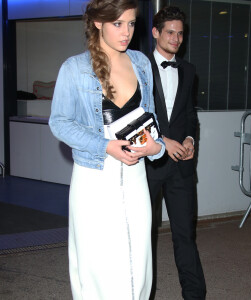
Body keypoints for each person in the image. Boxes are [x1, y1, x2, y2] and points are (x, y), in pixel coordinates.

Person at [49, 0, 165, 299]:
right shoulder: (74, 68)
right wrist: (106, 146)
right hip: (94, 178)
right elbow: (60, 123)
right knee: (98, 264)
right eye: (118, 24)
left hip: (136, 176)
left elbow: (151, 121)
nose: (126, 32)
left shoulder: (141, 62)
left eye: (131, 23)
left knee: (137, 260)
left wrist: (155, 147)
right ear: (98, 22)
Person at [146, 6, 206, 300]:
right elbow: (131, 117)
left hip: (182, 165)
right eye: (170, 31)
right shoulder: (138, 66)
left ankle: (194, 295)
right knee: (144, 238)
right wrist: (161, 141)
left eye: (180, 33)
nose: (176, 38)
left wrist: (191, 138)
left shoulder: (189, 70)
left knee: (185, 234)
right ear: (156, 32)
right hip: (147, 165)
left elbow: (190, 114)